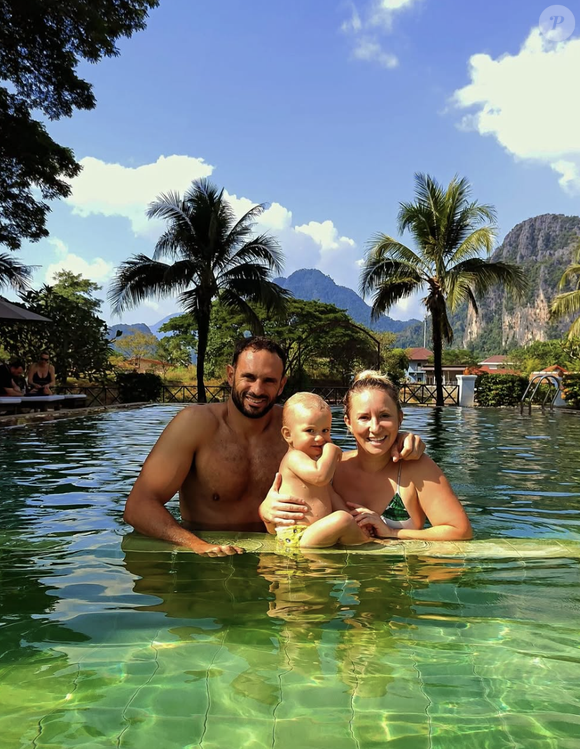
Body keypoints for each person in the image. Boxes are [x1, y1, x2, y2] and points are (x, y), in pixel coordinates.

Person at [123, 337, 425, 557]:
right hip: (211, 553)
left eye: (268, 381)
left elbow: (346, 455)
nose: (257, 389)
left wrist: (397, 442)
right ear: (230, 375)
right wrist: (198, 546)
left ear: (281, 385)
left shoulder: (297, 428)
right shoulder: (195, 425)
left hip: (280, 554)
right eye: (248, 377)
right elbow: (138, 506)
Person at [261, 371, 472, 541]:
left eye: (385, 416)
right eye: (363, 417)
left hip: (398, 582)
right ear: (348, 423)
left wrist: (393, 533)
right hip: (334, 582)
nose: (375, 427)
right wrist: (267, 514)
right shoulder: (330, 467)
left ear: (400, 418)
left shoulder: (416, 467)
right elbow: (292, 523)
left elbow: (459, 531)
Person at [266, 392, 371, 550]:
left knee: (345, 518)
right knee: (342, 519)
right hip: (297, 535)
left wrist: (353, 520)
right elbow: (320, 477)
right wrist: (330, 450)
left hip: (310, 534)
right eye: (310, 431)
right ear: (288, 435)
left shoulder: (314, 462)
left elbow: (330, 494)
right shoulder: (293, 458)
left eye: (325, 430)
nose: (320, 438)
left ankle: (358, 535)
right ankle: (367, 541)